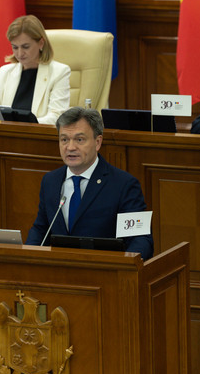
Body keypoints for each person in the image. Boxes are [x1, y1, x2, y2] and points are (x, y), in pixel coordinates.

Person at [26, 107, 154, 260]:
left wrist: (126, 267)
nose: (70, 147)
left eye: (79, 140)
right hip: (59, 272)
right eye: (64, 139)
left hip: (105, 274)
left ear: (98, 142)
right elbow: (41, 229)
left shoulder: (123, 185)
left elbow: (140, 238)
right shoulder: (50, 181)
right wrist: (27, 258)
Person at [0, 15, 70, 125]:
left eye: (25, 47)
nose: (19, 53)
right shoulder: (6, 72)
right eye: (15, 47)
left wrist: (27, 124)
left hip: (37, 137)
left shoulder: (59, 72)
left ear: (41, 43)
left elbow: (57, 116)